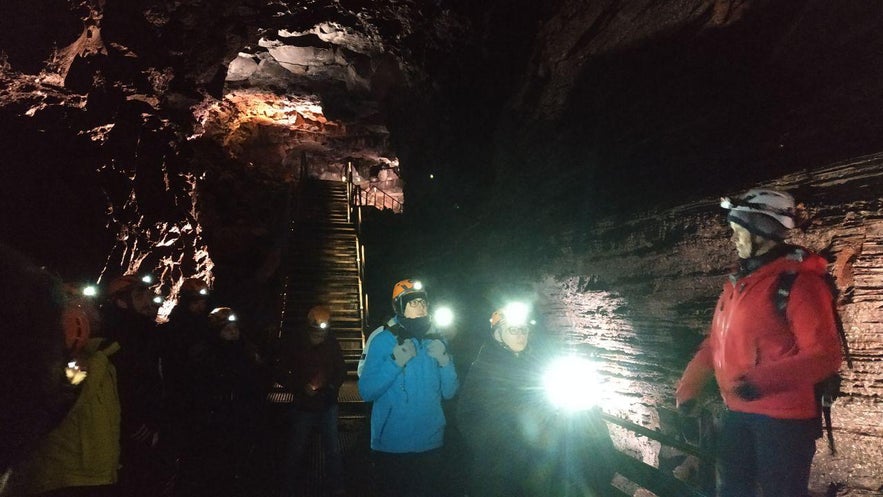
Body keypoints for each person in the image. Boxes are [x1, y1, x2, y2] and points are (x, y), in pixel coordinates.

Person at [676, 188, 843, 497]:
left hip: (784, 423)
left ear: (762, 232)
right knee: (731, 491)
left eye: (739, 232)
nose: (734, 239)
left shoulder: (800, 283)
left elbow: (824, 355)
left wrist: (760, 382)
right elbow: (717, 342)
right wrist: (690, 385)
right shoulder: (738, 284)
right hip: (737, 412)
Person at [357, 279, 459, 497]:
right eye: (412, 302)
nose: (420, 306)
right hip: (392, 445)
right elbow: (366, 391)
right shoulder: (382, 340)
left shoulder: (437, 340)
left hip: (431, 443)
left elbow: (450, 391)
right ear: (399, 306)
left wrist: (445, 361)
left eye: (423, 301)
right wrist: (395, 361)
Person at [100, 273, 169, 497]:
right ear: (121, 301)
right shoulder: (116, 335)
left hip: (147, 424)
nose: (147, 300)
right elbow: (120, 382)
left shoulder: (145, 332)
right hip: (128, 429)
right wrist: (134, 422)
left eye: (147, 293)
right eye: (139, 295)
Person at [276, 305, 347, 497]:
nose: (320, 336)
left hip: (327, 404)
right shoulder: (296, 343)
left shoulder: (331, 342)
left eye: (323, 332)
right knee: (296, 449)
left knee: (332, 449)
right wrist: (301, 387)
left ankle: (337, 487)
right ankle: (288, 487)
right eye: (317, 333)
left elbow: (341, 369)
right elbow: (281, 370)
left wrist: (330, 387)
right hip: (304, 406)